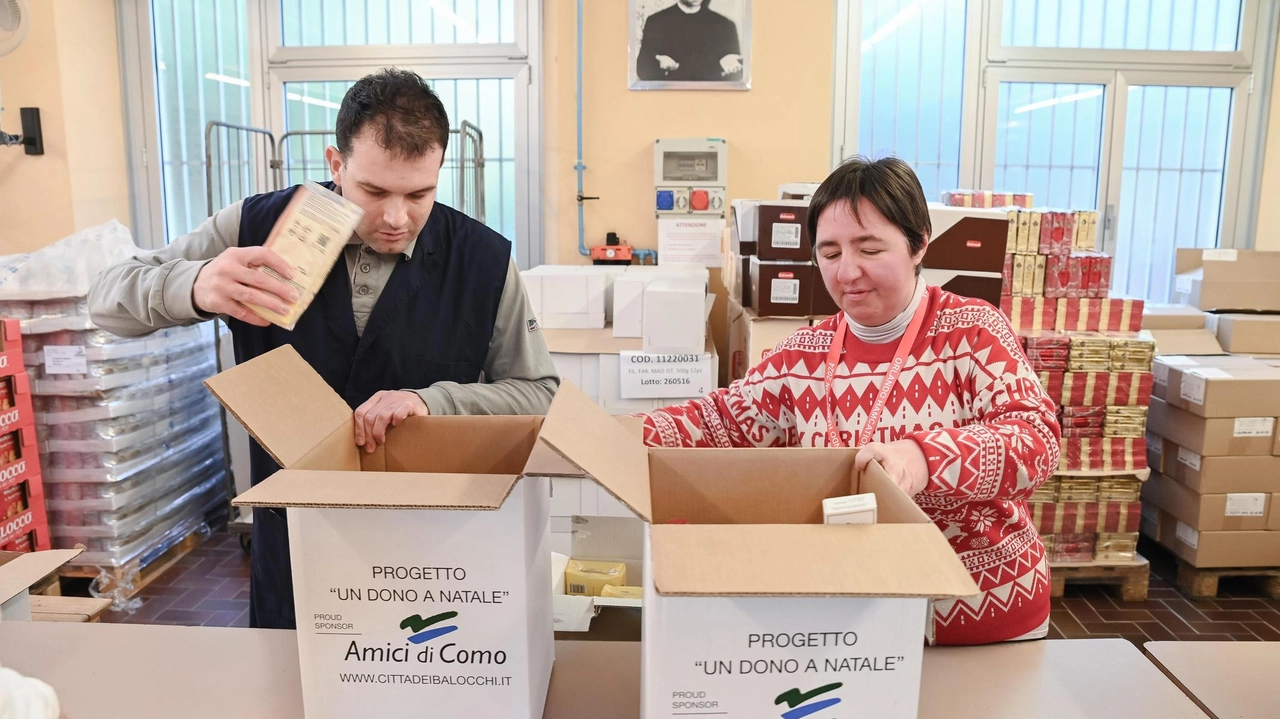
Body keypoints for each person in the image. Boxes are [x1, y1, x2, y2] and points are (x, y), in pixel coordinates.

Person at [88, 69, 559, 630]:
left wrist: (436, 403)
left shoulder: (483, 261)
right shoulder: (256, 226)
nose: (395, 218)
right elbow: (106, 300)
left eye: (419, 194)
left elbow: (538, 394)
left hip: (430, 556)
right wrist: (192, 284)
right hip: (293, 542)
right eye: (374, 191)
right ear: (335, 165)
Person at [640, 157, 1061, 645]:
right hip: (859, 622)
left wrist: (922, 457)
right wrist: (615, 434)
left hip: (982, 616)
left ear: (919, 242)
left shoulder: (971, 331)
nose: (848, 272)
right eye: (830, 252)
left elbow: (1036, 439)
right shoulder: (804, 354)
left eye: (869, 248)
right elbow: (718, 421)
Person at [635, 0, 744, 82]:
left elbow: (737, 77)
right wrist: (718, 66)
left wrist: (674, 69)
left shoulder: (725, 25)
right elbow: (642, 70)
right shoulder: (656, 22)